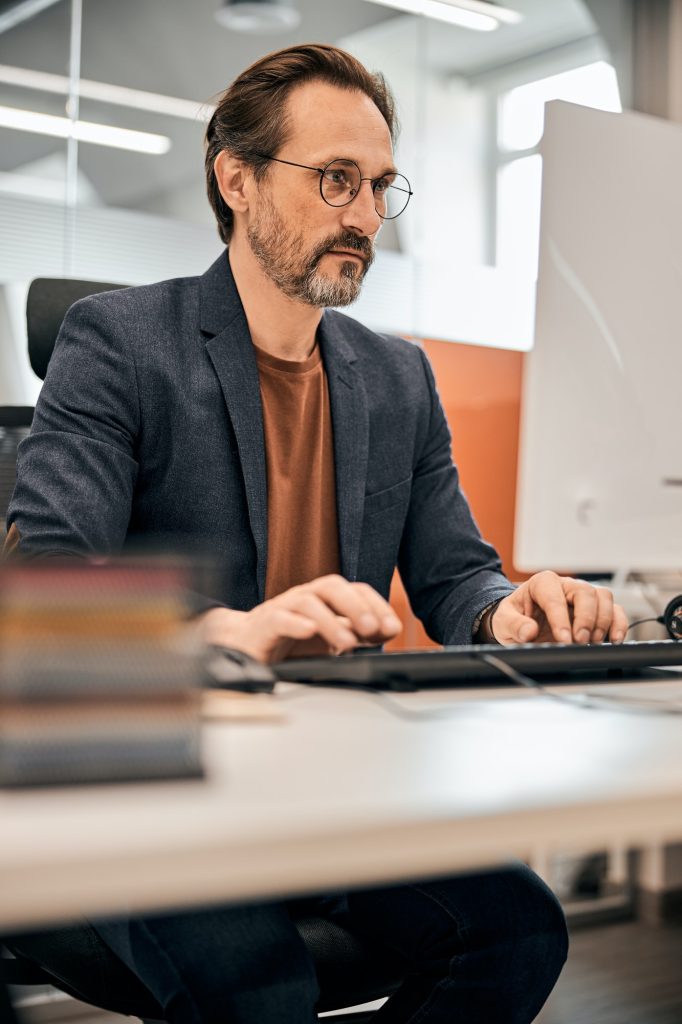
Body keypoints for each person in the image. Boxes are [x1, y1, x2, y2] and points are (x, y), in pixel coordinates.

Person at [5, 41, 628, 1024]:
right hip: (145, 790)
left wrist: (513, 613)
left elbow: (454, 574)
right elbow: (43, 601)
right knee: (262, 983)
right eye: (336, 179)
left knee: (516, 932)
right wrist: (229, 631)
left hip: (322, 790)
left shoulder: (397, 378)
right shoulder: (119, 343)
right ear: (237, 179)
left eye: (380, 185)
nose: (366, 216)